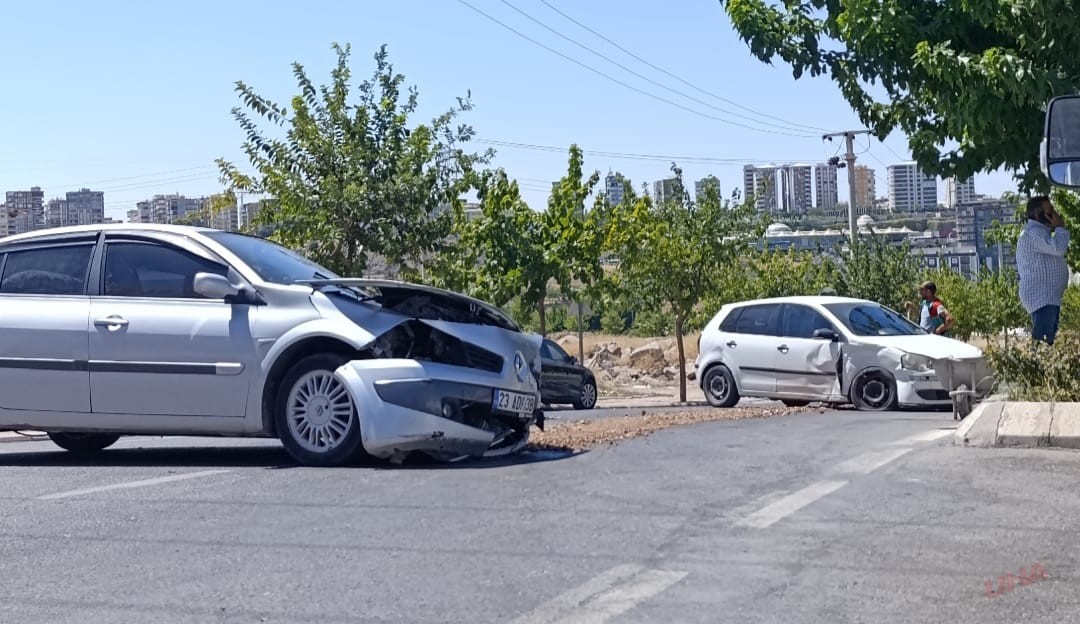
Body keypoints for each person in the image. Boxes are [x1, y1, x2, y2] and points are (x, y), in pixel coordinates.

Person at [1016, 195, 1070, 345]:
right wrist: (1060, 227)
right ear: (1038, 214)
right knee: (1043, 345)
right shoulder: (1033, 233)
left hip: (1047, 297)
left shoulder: (1039, 233)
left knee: (1047, 342)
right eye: (1050, 211)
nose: (1055, 214)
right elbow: (1059, 248)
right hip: (1043, 298)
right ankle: (1035, 368)